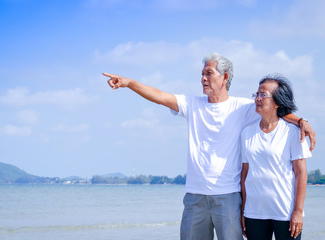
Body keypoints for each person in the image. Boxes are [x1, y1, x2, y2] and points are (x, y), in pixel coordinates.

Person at [103, 53, 316, 240]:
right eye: (202, 74)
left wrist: (300, 121)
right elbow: (160, 96)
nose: (203, 78)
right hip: (195, 197)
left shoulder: (242, 107)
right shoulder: (192, 104)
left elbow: (274, 108)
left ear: (225, 77)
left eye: (209, 73)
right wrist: (129, 83)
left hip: (229, 196)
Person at [240, 75, 312, 240]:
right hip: (254, 212)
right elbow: (245, 174)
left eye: (263, 94)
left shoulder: (293, 132)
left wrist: (298, 212)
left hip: (285, 212)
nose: (257, 98)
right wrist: (243, 211)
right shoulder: (246, 132)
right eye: (256, 94)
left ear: (277, 102)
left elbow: (301, 173)